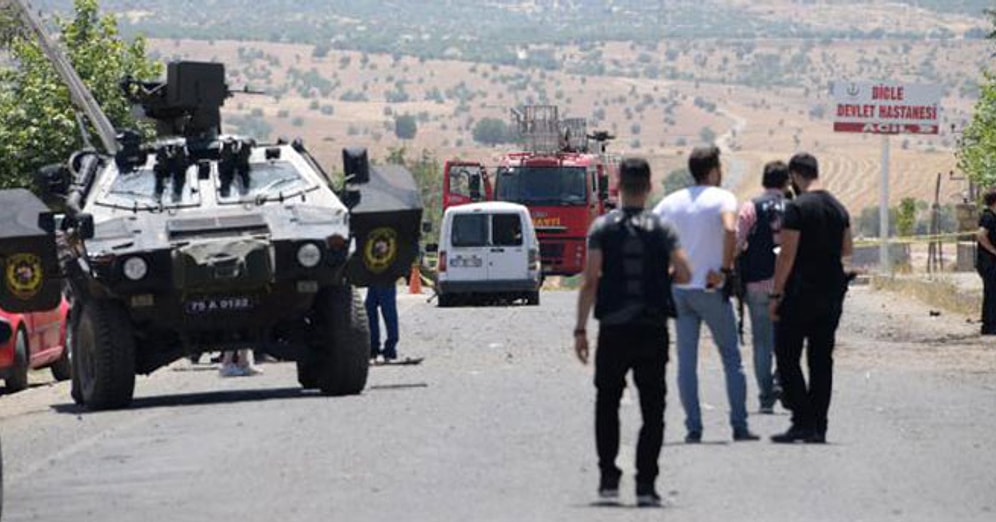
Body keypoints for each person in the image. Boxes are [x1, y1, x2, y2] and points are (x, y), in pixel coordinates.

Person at [574, 157, 692, 507]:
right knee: (653, 408)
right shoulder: (663, 229)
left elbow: (590, 280)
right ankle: (645, 485)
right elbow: (684, 272)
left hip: (613, 330)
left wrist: (580, 329)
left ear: (618, 187)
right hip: (652, 330)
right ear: (650, 186)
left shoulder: (602, 228)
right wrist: (661, 280)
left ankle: (609, 479)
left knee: (606, 403)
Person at [653, 145, 758, 443]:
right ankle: (738, 424)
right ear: (713, 170)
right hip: (711, 288)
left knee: (686, 362)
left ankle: (693, 428)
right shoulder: (722, 198)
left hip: (680, 290)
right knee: (731, 358)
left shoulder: (670, 202)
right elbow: (729, 230)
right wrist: (725, 270)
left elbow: (654, 235)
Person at [768, 153, 852, 444]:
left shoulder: (797, 207)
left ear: (793, 175)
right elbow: (846, 249)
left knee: (787, 356)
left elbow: (787, 255)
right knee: (821, 359)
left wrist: (776, 294)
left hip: (801, 293)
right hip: (831, 293)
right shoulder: (838, 208)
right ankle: (819, 424)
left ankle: (802, 420)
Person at [736, 161, 790, 414]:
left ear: (764, 182)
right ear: (786, 182)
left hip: (757, 284)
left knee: (762, 343)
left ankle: (766, 395)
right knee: (789, 338)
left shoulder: (750, 208)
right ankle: (783, 379)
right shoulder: (794, 208)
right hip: (789, 285)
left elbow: (736, 243)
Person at [975, 188, 996, 336]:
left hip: (990, 261)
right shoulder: (988, 217)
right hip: (989, 262)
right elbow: (981, 235)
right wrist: (993, 250)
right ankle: (989, 325)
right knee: (991, 293)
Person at [366, 284, 400, 362]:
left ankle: (390, 349)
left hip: (386, 280)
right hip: (374, 281)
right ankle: (373, 347)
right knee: (370, 311)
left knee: (389, 313)